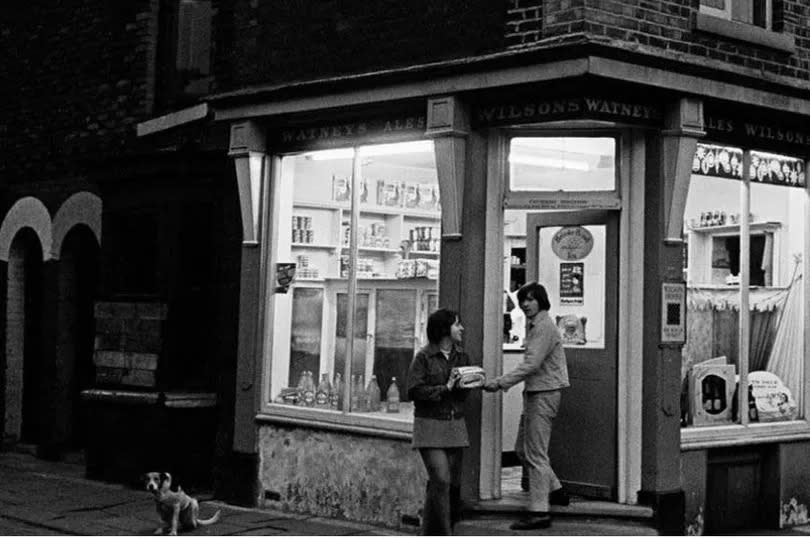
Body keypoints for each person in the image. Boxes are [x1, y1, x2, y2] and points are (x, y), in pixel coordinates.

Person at [483, 281, 570, 530]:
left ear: (540, 300)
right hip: (537, 392)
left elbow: (531, 364)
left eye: (530, 299)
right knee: (523, 449)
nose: (525, 304)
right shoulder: (536, 326)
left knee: (535, 454)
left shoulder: (543, 327)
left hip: (543, 393)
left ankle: (539, 512)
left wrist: (501, 383)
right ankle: (556, 491)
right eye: (523, 300)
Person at [407, 308, 472, 535]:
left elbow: (462, 396)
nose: (461, 328)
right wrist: (445, 388)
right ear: (445, 329)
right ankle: (445, 533)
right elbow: (414, 391)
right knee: (441, 480)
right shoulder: (424, 357)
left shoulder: (461, 357)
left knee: (444, 485)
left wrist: (469, 383)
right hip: (430, 424)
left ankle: (430, 532)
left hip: (454, 423)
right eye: (457, 324)